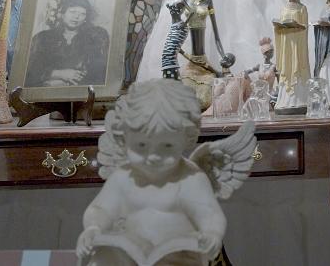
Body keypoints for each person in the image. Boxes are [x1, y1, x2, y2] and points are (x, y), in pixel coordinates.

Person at [77, 78, 256, 266]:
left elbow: (209, 213)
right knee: (102, 259)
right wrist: (94, 228)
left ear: (186, 140)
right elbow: (101, 209)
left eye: (167, 146)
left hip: (177, 258)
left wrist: (212, 233)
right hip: (131, 256)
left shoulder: (190, 178)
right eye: (141, 146)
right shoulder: (123, 176)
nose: (153, 156)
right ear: (124, 139)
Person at [26, 0, 110, 87]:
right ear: (62, 13)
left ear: (86, 19)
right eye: (72, 11)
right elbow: (30, 71)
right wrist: (59, 74)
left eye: (82, 14)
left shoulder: (94, 38)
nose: (76, 17)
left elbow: (99, 73)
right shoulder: (43, 38)